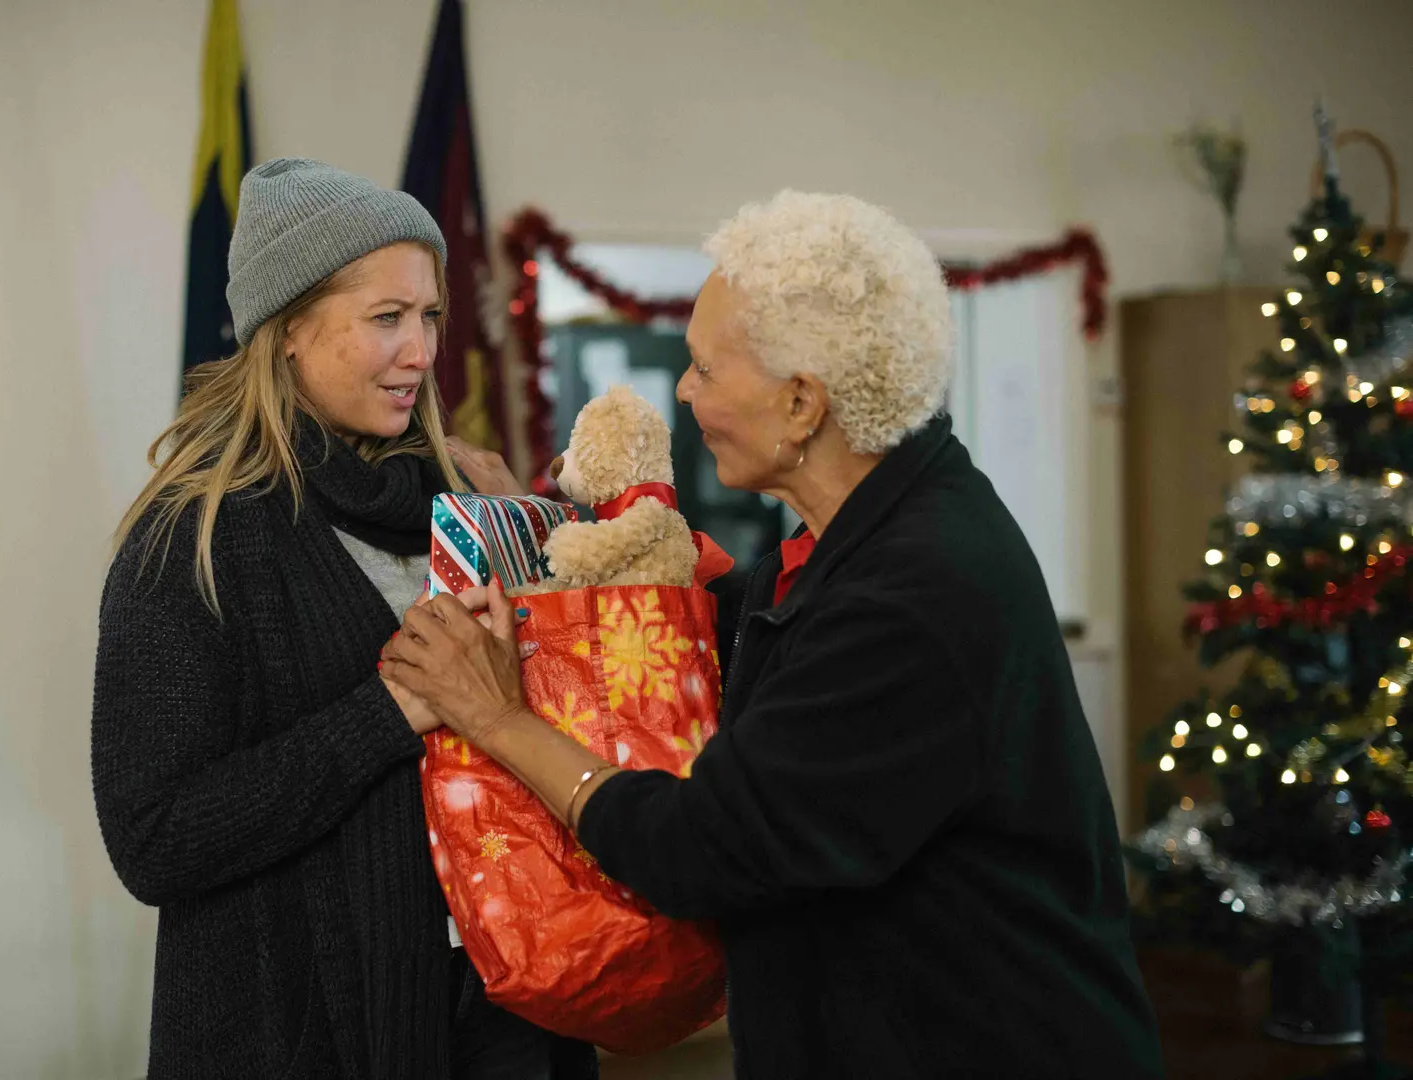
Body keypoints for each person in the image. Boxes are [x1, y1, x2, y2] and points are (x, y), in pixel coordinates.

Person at [380, 191, 1165, 1079]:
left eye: (706, 371)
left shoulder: (914, 594)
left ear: (802, 404)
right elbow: (743, 624)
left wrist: (498, 719)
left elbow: (700, 848)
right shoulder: (879, 522)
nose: (682, 392)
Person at [91, 158, 594, 1080]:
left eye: (431, 315)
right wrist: (392, 712)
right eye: (387, 318)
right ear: (288, 331)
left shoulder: (468, 501)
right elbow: (154, 840)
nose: (422, 351)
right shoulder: (193, 536)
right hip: (297, 1036)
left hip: (502, 1018)